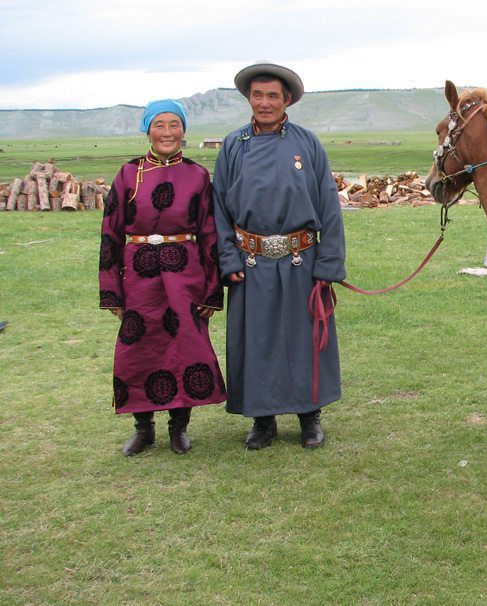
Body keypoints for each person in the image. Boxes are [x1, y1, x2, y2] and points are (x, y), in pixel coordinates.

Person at [212, 62, 346, 450]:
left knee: (305, 339)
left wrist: (328, 265)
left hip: (300, 259)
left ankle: (309, 417)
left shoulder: (307, 144)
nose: (265, 103)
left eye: (273, 96)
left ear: (287, 100)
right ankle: (262, 419)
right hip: (250, 264)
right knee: (256, 340)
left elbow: (329, 207)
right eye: (258, 95)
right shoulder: (233, 146)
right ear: (248, 99)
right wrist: (228, 258)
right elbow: (218, 208)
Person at [99, 99, 226, 456]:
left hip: (185, 275)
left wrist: (212, 291)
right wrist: (112, 292)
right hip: (138, 279)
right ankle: (143, 429)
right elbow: (110, 234)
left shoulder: (197, 175)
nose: (167, 132)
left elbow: (210, 235)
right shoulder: (128, 174)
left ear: (184, 130)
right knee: (138, 351)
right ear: (147, 129)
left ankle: (178, 429)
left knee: (184, 348)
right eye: (159, 124)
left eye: (174, 124)